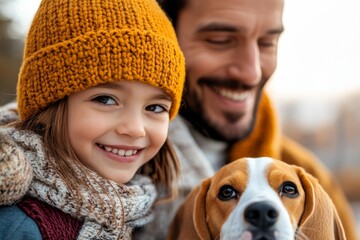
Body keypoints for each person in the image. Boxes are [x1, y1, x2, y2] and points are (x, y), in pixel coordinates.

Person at [133, 0, 359, 239]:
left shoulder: (314, 183)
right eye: (220, 40)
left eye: (267, 42)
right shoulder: (105, 163)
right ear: (164, 36)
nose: (252, 72)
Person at [0, 0, 185, 239]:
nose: (135, 129)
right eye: (106, 100)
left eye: (155, 107)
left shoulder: (150, 214)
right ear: (49, 104)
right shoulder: (22, 227)